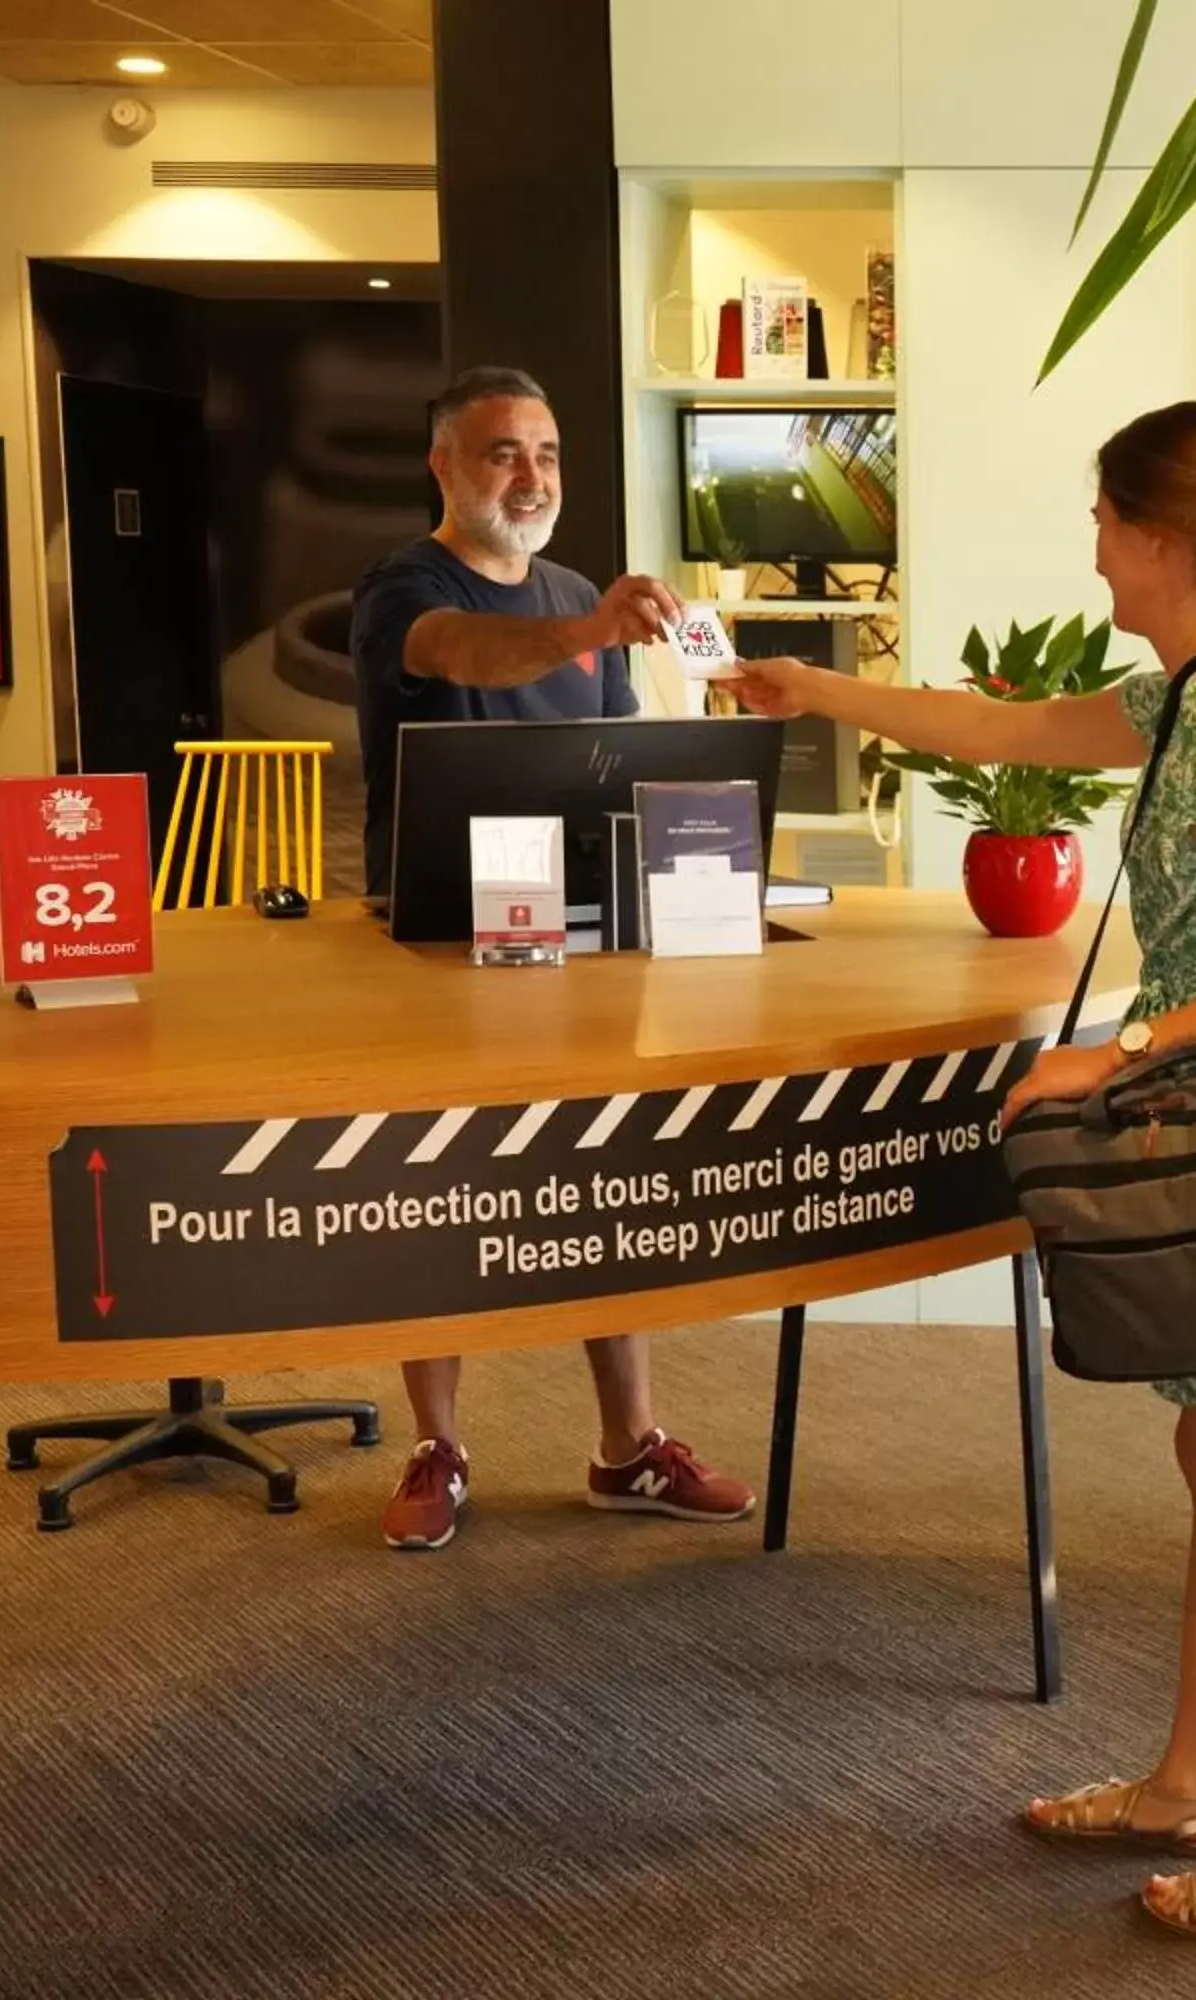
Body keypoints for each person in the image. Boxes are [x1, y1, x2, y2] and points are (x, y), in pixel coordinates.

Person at [732, 401, 1196, 1948]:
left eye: (1104, 517)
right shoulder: (1185, 695)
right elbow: (1006, 732)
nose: (1089, 542)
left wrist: (1130, 1042)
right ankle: (1190, 1783)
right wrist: (810, 683)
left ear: (1162, 536)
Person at [347, 365, 755, 1552]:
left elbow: (613, 756)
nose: (531, 477)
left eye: (548, 453)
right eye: (501, 454)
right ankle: (438, 1443)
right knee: (435, 1188)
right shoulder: (403, 587)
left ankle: (629, 1447)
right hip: (438, 941)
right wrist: (581, 631)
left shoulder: (581, 590)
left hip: (576, 932)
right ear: (444, 464)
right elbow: (469, 654)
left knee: (608, 1174)